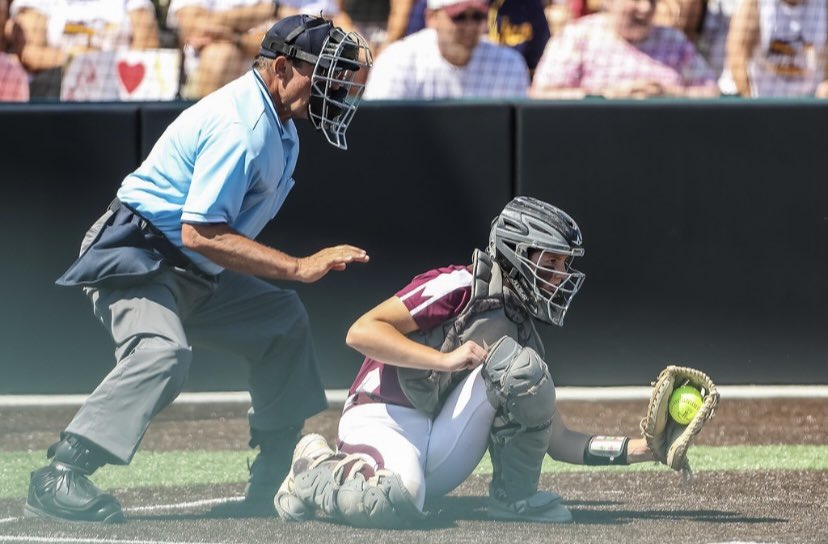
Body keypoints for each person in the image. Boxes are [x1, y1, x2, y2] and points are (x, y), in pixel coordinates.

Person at [23, 14, 372, 523]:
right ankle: (60, 474)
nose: (333, 88)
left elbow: (206, 241)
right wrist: (297, 266)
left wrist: (286, 277)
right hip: (138, 254)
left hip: (189, 265)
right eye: (323, 73)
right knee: (163, 352)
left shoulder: (282, 127)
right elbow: (200, 231)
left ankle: (274, 473)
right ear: (280, 67)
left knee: (282, 321)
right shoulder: (243, 127)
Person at [272, 196, 660, 528]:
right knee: (395, 498)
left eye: (564, 265)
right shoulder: (459, 285)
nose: (560, 277)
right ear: (517, 253)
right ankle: (314, 465)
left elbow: (557, 440)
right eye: (552, 262)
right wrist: (446, 360)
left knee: (523, 371)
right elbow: (361, 331)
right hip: (382, 415)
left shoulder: (522, 336)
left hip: (437, 432)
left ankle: (513, 499)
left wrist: (645, 449)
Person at [530, 0, 719, 98]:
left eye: (652, 0)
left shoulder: (673, 40)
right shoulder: (577, 36)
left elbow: (711, 92)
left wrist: (669, 94)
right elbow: (541, 93)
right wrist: (606, 95)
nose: (645, 8)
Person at [363, 0, 530, 99]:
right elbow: (381, 132)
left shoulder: (509, 64)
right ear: (432, 17)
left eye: (477, 16)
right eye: (459, 16)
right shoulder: (396, 61)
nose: (469, 26)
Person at [10, 0, 160, 98]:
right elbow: (30, 54)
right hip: (53, 93)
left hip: (119, 95)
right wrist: (79, 60)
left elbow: (148, 48)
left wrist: (91, 61)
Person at [725, 0, 828, 97]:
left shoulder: (823, 5)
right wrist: (750, 101)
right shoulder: (755, 3)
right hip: (764, 100)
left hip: (810, 102)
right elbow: (737, 56)